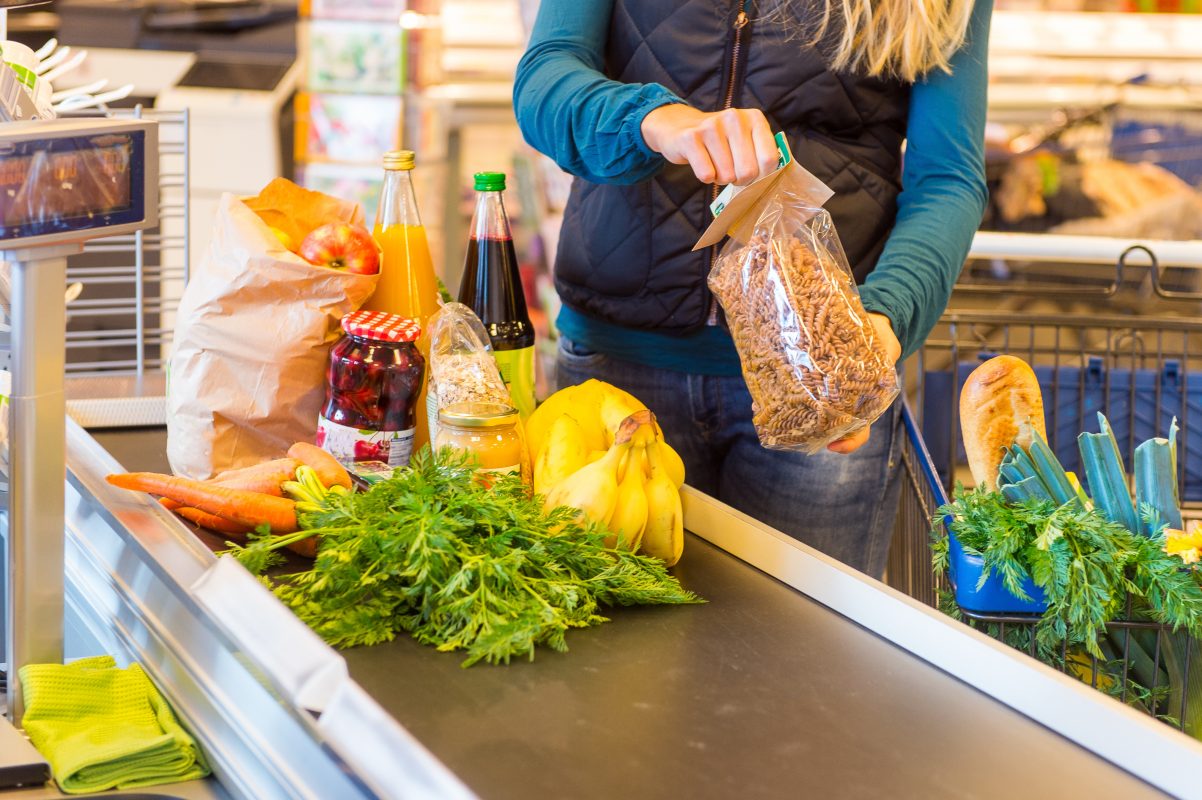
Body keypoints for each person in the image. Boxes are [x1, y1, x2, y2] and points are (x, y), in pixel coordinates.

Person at [513, 0, 990, 577]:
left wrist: (883, 321)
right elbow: (545, 78)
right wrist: (657, 120)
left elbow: (947, 178)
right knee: (608, 649)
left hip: (820, 377)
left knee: (803, 653)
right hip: (620, 366)